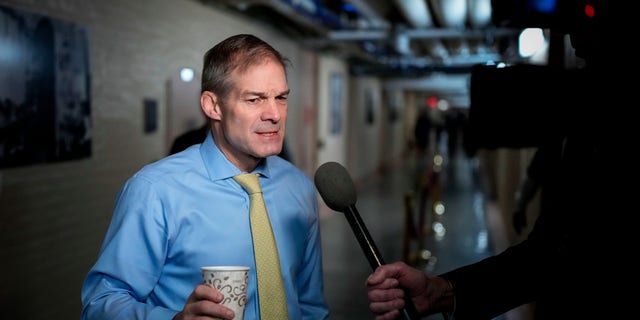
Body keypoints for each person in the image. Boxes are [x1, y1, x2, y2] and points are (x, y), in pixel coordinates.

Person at [365, 5, 625, 320]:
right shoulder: (581, 132)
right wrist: (441, 291)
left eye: (585, 18)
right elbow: (545, 256)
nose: (572, 39)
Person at [81, 34, 329, 320]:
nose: (274, 114)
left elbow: (310, 305)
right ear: (213, 106)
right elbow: (100, 304)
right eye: (254, 99)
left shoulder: (299, 188)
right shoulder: (155, 191)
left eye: (281, 98)